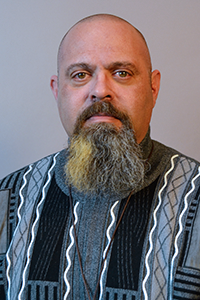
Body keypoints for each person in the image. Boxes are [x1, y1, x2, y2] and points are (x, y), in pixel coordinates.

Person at [0, 13, 200, 300]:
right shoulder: (7, 199)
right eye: (80, 75)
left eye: (122, 73)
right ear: (58, 91)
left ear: (153, 89)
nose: (100, 90)